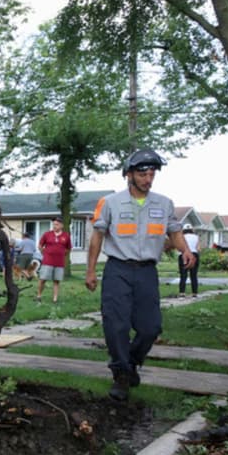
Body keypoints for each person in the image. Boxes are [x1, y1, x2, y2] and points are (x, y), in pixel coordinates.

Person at [84, 149, 194, 401]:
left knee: (150, 327)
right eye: (143, 174)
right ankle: (121, 375)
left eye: (152, 173)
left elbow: (174, 231)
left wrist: (185, 250)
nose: (148, 179)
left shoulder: (163, 203)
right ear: (129, 175)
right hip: (118, 269)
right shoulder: (110, 202)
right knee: (116, 324)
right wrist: (90, 270)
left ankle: (130, 362)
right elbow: (97, 236)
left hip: (146, 272)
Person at [37, 217, 73, 302]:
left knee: (56, 281)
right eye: (53, 224)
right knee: (43, 279)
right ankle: (38, 295)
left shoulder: (66, 236)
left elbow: (69, 248)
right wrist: (44, 253)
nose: (54, 226)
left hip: (59, 262)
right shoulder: (47, 234)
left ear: (61, 226)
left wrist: (63, 254)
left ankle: (55, 299)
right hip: (47, 261)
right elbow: (40, 245)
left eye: (56, 224)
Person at [178, 223, 200, 297]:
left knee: (183, 275)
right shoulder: (196, 237)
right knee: (193, 275)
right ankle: (194, 293)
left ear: (183, 230)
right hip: (194, 255)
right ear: (191, 230)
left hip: (183, 255)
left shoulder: (181, 237)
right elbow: (198, 248)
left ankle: (182, 293)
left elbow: (178, 247)